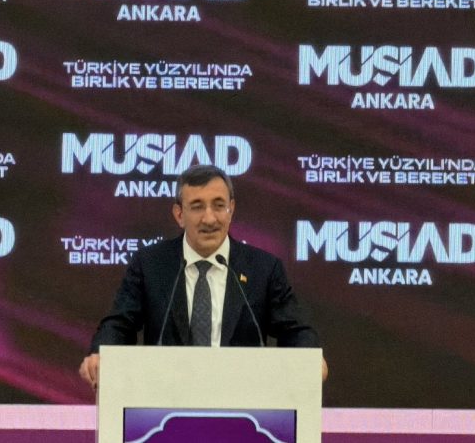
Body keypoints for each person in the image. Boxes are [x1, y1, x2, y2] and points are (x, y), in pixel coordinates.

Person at [79, 164, 328, 389]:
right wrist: (101, 354)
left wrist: (309, 357)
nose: (209, 218)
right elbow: (120, 323)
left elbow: (296, 330)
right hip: (166, 397)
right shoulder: (151, 264)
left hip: (243, 399)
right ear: (179, 214)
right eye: (197, 207)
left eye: (219, 205)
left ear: (231, 209)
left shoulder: (263, 268)